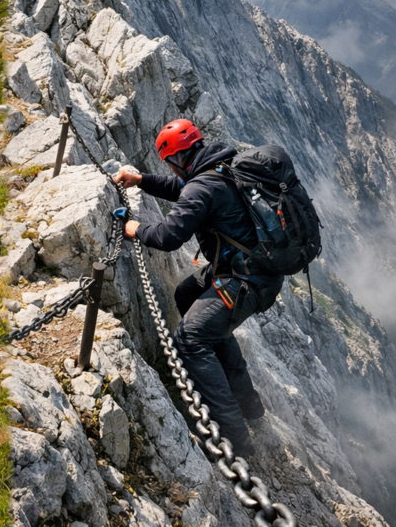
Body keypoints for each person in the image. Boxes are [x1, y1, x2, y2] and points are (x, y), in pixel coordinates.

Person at [114, 119, 283, 457]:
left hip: (244, 280)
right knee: (187, 295)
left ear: (177, 158)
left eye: (170, 165)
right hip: (253, 270)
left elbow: (167, 236)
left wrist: (133, 228)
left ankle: (234, 438)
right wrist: (143, 181)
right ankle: (248, 406)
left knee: (190, 339)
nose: (172, 172)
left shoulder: (202, 186)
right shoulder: (222, 168)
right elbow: (185, 190)